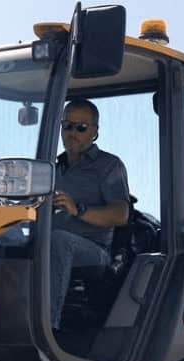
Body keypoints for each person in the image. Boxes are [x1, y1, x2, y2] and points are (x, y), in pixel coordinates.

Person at [47, 98, 130, 329]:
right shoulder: (50, 167)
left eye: (81, 128)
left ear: (94, 132)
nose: (72, 133)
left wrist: (79, 209)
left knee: (59, 241)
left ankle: (46, 327)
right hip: (46, 244)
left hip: (93, 251)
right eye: (67, 126)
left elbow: (120, 214)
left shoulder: (108, 166)